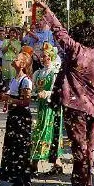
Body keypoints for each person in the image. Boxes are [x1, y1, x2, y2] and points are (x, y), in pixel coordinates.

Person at [33, 0, 94, 186]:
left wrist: (48, 11)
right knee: (88, 150)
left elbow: (60, 33)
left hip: (77, 107)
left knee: (79, 150)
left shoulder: (77, 51)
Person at [0, 51, 35, 186]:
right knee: (12, 147)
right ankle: (16, 180)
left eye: (17, 59)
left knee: (21, 148)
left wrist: (10, 100)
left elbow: (26, 102)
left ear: (23, 64)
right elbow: (11, 95)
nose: (14, 60)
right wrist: (2, 97)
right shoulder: (14, 79)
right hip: (13, 117)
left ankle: (26, 180)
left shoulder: (26, 81)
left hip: (21, 118)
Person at [29, 43, 64, 174]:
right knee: (40, 130)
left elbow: (58, 90)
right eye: (42, 57)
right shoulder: (38, 73)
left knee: (51, 132)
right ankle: (34, 162)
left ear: (51, 57)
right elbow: (32, 89)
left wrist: (47, 93)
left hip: (52, 106)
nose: (43, 59)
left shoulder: (55, 72)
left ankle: (56, 163)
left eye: (46, 57)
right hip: (42, 107)